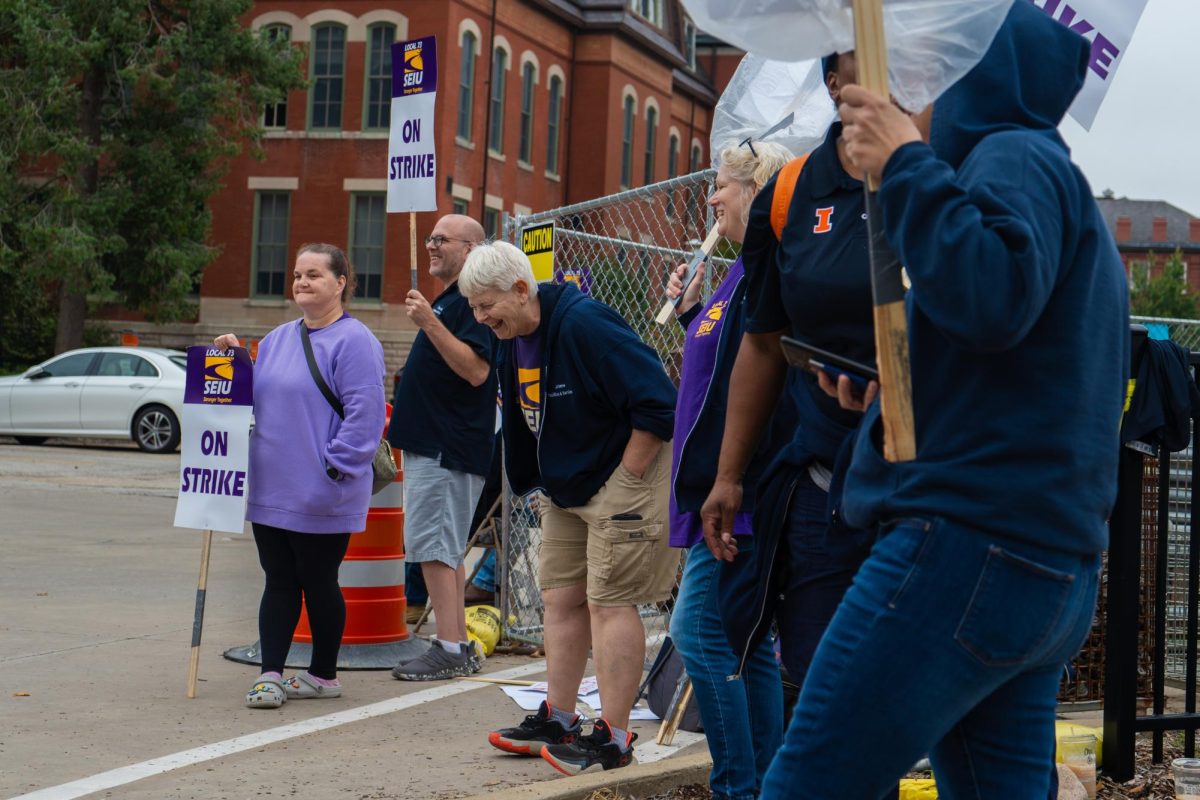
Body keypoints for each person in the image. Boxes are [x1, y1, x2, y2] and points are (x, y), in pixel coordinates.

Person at [758, 5, 1129, 797]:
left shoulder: (1013, 156)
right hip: (1040, 566)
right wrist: (885, 401)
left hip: (969, 549)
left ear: (971, 79)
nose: (906, 94)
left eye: (927, 75)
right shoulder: (1046, 180)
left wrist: (907, 165)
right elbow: (1014, 372)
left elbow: (989, 295)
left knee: (806, 783)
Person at [458, 242, 678, 775]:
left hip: (621, 479)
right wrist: (535, 480)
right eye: (474, 309)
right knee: (560, 600)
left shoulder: (585, 325)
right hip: (565, 487)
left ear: (520, 288)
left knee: (610, 602)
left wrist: (627, 476)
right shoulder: (512, 337)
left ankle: (615, 737)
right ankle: (559, 718)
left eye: (488, 306)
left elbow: (659, 401)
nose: (482, 319)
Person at [701, 53, 877, 700]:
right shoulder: (792, 192)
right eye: (869, 61)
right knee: (820, 694)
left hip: (925, 492)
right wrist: (728, 475)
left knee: (902, 705)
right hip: (821, 488)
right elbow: (764, 343)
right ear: (833, 83)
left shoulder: (942, 178)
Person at [664, 139, 793, 800]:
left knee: (699, 632)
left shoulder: (769, 267)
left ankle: (737, 787)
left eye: (722, 186)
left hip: (739, 488)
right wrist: (691, 313)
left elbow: (762, 378)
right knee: (744, 640)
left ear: (756, 188)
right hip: (716, 485)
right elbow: (716, 369)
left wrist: (731, 479)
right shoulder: (738, 271)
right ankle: (767, 784)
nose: (711, 199)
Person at [215, 243, 386, 709]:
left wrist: (335, 466)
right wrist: (233, 363)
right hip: (272, 484)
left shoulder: (356, 341)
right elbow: (263, 397)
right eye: (297, 275)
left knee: (317, 579)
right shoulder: (275, 340)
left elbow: (365, 413)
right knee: (278, 580)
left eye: (314, 274)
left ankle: (323, 675)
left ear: (340, 283)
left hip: (323, 488)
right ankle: (270, 674)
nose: (302, 282)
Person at [389, 214, 497, 681]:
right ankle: (458, 644)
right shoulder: (456, 301)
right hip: (438, 446)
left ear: (471, 249)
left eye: (442, 240)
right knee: (445, 550)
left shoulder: (472, 303)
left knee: (435, 548)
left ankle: (449, 647)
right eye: (430, 237)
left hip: (445, 448)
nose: (431, 246)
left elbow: (476, 371)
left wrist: (428, 321)